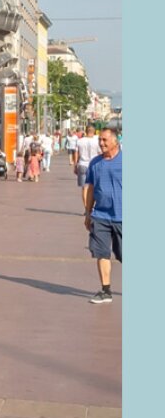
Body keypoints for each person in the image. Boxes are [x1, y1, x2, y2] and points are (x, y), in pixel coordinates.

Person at [83, 128, 122, 304]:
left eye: (105, 140)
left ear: (115, 141)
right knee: (101, 253)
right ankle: (105, 290)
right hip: (100, 215)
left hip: (122, 216)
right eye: (100, 140)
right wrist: (88, 212)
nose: (101, 143)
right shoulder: (95, 163)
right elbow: (89, 188)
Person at [71, 128, 101, 192]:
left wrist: (75, 165)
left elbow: (76, 153)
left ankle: (85, 202)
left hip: (82, 164)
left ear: (86, 132)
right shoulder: (97, 141)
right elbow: (100, 153)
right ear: (94, 132)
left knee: (84, 187)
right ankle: (91, 201)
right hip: (94, 165)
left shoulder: (80, 141)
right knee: (93, 186)